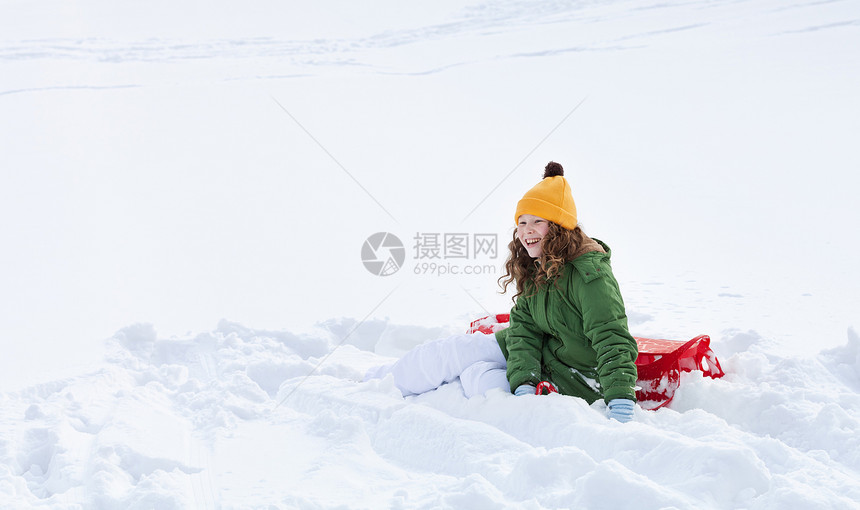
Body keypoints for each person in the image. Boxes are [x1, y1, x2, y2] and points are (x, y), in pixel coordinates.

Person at [364, 161, 639, 422]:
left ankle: (384, 384)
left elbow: (611, 338)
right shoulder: (538, 267)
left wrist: (621, 404)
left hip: (576, 376)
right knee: (456, 353)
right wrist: (524, 382)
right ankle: (379, 382)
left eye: (537, 222)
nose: (526, 231)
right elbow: (524, 330)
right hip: (544, 357)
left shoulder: (590, 276)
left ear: (558, 228)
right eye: (522, 222)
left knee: (476, 378)